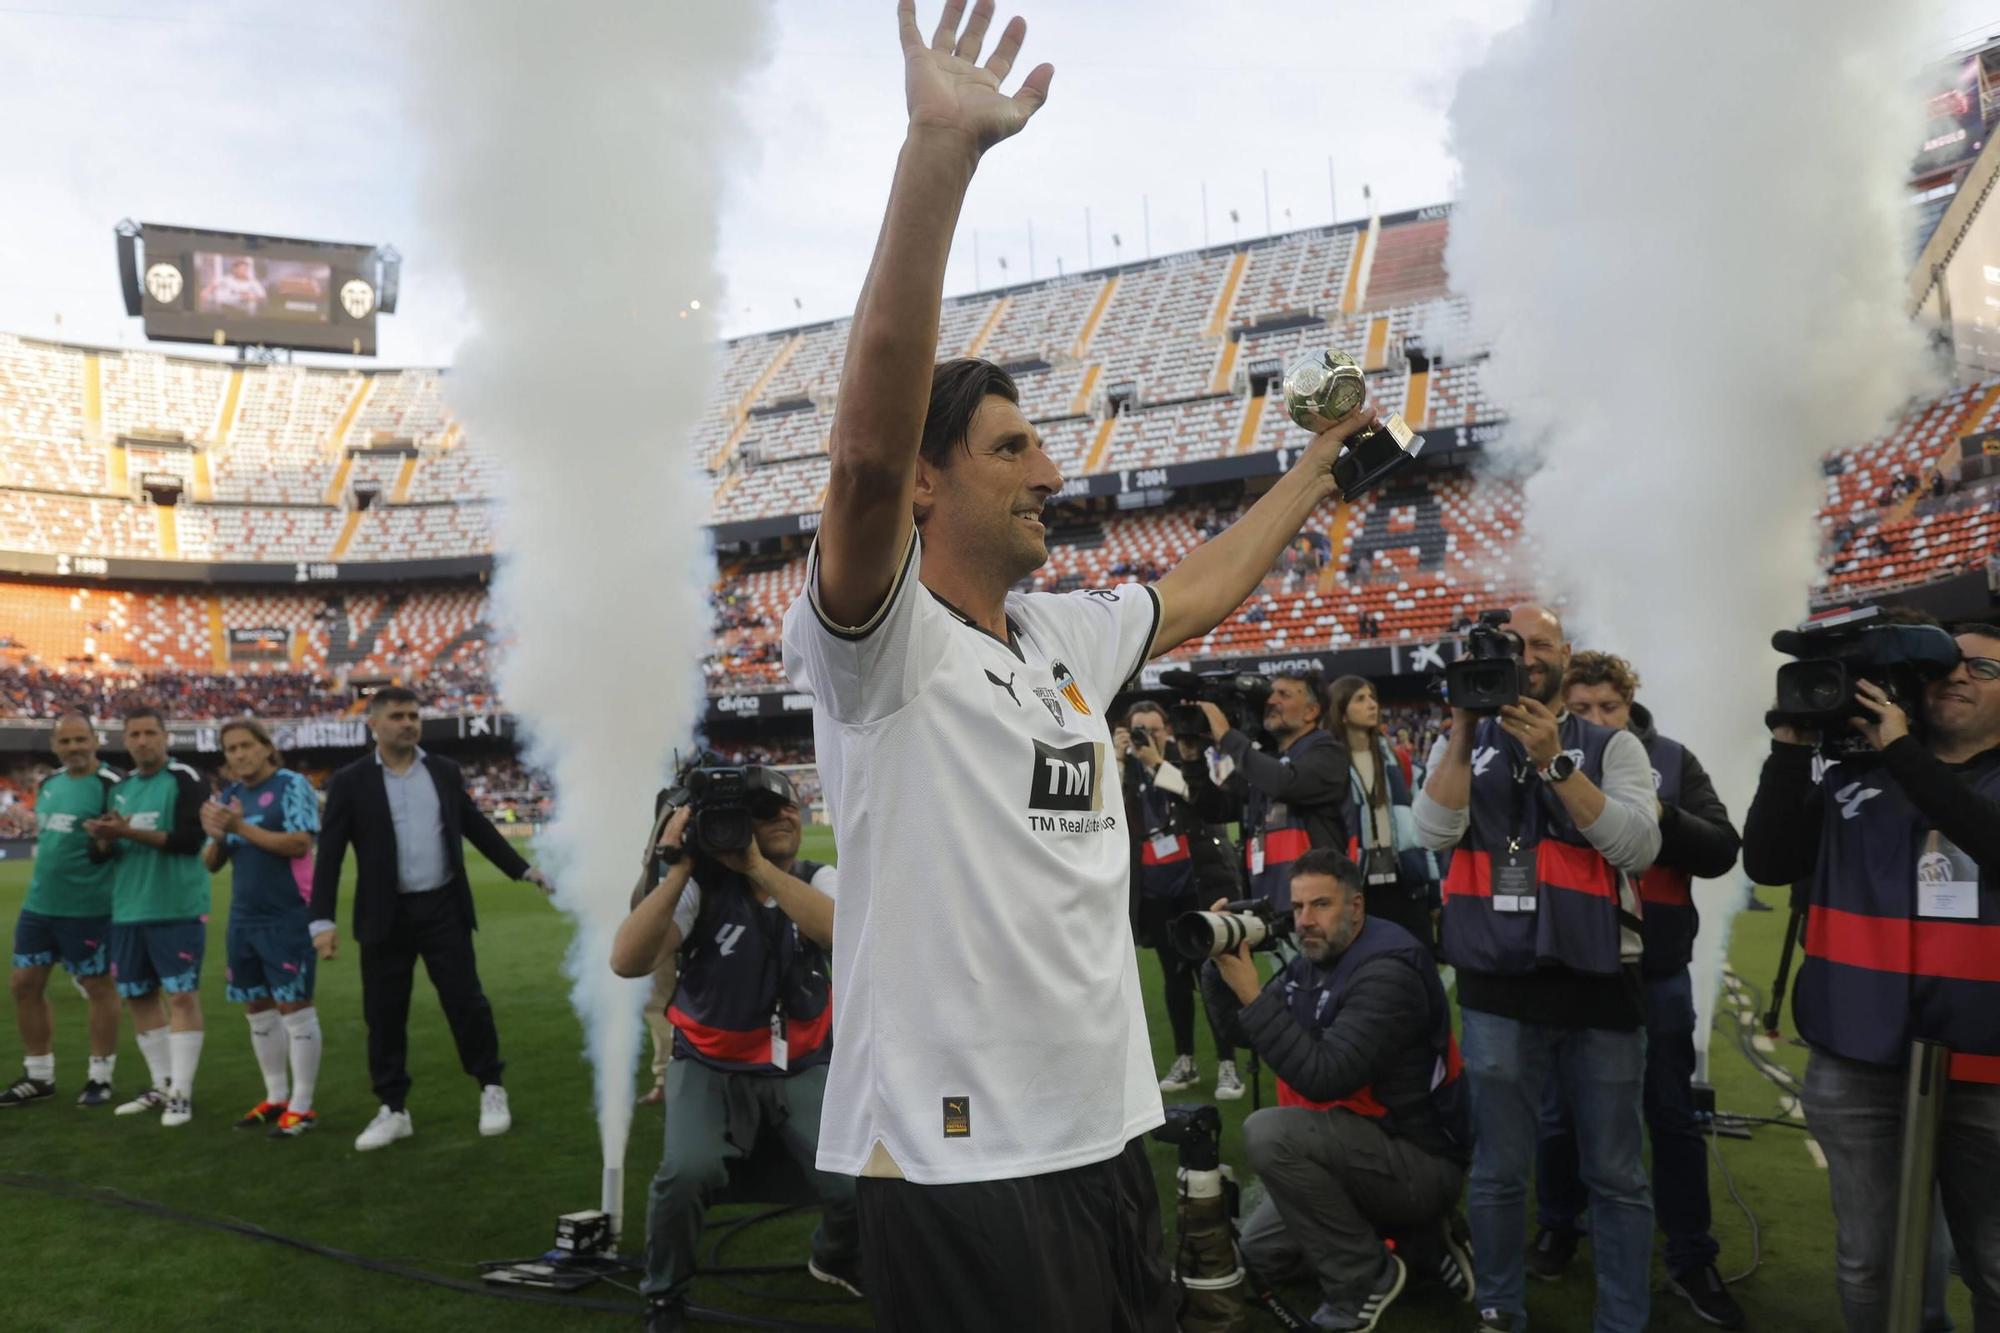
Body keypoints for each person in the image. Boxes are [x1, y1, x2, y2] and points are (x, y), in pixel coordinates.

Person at [777, 3, 1387, 1326]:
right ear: (931, 487)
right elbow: (863, 456)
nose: (1051, 470)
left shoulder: (1058, 637)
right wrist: (941, 154)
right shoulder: (880, 644)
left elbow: (1200, 588)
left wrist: (1322, 467)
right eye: (1010, 449)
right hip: (955, 1160)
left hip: (1101, 1131)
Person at [1743, 621, 2000, 1332]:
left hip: (1989, 1062)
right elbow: (1766, 861)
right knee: (1869, 1260)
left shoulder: (1904, 760)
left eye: (1980, 669)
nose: (1955, 677)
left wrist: (1903, 751)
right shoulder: (1856, 775)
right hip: (1856, 1054)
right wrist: (1790, 748)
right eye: (1947, 667)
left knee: (1995, 1263)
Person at [1414, 605, 1661, 1333]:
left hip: (1600, 987)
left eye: (1540, 644)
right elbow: (1433, 833)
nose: (1524, 657)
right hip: (1496, 986)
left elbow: (1637, 848)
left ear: (1565, 654)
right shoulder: (1457, 742)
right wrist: (1463, 730)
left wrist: (1557, 761)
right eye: (1508, 647)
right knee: (1496, 1171)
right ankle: (1499, 1306)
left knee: (1615, 1174)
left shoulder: (1612, 745)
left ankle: (1623, 1318)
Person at [1534, 652, 1745, 1329]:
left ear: (1630, 704)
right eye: (1583, 707)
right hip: (1567, 966)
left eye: (1609, 707)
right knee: (1558, 1113)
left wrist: (1663, 816)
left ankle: (1690, 1253)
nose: (1596, 719)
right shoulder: (1538, 756)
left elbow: (1721, 848)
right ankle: (1560, 1224)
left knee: (1672, 1112)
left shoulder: (1672, 758)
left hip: (1652, 968)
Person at [610, 770, 860, 1333]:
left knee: (854, 1180)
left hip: (802, 1058)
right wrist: (677, 868)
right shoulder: (700, 888)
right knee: (685, 1174)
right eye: (763, 810)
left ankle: (835, 1254)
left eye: (788, 807)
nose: (782, 817)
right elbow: (627, 960)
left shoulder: (820, 878)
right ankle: (665, 1294)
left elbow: (841, 936)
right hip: (708, 1059)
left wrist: (756, 867)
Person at [1205, 850, 1472, 1332]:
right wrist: (1217, 968)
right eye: (1299, 906)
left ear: (1356, 907)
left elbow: (1323, 1075)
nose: (1305, 921)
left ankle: (1363, 1278)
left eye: (1321, 905)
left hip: (1417, 1158)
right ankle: (1421, 1245)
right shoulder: (1319, 954)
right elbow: (1246, 1032)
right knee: (1259, 1255)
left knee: (1270, 1134)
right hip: (1359, 1145)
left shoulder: (1389, 969)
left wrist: (1250, 992)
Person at [307, 687, 552, 1152]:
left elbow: (476, 827)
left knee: (466, 1002)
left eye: (413, 715)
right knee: (384, 1014)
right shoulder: (351, 781)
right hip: (384, 914)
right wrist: (321, 920)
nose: (408, 723)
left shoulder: (443, 771)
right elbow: (331, 855)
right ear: (373, 724)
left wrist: (523, 870)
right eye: (397, 716)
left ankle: (491, 1089)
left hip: (442, 907)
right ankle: (393, 1108)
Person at [201, 719, 324, 1140]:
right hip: (244, 918)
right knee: (256, 1009)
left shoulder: (293, 785)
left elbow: (299, 843)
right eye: (231, 748)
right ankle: (276, 1097)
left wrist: (240, 828)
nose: (239, 755)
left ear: (267, 748)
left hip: (287, 914)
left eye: (246, 746)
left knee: (296, 1008)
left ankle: (303, 1106)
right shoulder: (231, 796)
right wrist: (218, 834)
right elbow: (211, 863)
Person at [88, 708, 212, 1127]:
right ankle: (161, 1083)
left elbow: (188, 840)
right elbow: (102, 855)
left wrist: (124, 833)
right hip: (128, 909)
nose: (142, 741)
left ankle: (182, 1092)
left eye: (149, 733)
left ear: (165, 737)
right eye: (134, 734)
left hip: (175, 905)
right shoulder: (120, 790)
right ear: (126, 741)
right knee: (139, 996)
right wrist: (103, 838)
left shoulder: (186, 779)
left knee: (180, 996)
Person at [1115, 700, 1245, 1100]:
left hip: (1196, 880)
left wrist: (1155, 761)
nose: (1146, 737)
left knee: (1213, 973)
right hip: (1154, 887)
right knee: (1173, 979)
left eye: (1154, 729)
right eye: (1139, 730)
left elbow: (1197, 799)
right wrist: (1118, 762)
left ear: (1167, 730)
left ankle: (1227, 1064)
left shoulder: (1181, 758)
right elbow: (1104, 812)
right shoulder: (1126, 767)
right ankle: (1185, 1059)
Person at [1, 712, 122, 1108]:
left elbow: (123, 845)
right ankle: (39, 1076)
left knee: (97, 987)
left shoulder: (111, 785)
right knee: (24, 985)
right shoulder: (49, 784)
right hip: (40, 905)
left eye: (80, 740)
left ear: (94, 741)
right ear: (55, 746)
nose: (73, 748)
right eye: (65, 742)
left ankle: (100, 1077)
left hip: (88, 908)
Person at [1198, 671, 1351, 912]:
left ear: (1311, 711)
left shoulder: (1328, 752)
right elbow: (1215, 809)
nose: (1271, 701)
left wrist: (1228, 737)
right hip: (1268, 905)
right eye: (1271, 693)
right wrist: (1192, 757)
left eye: (1284, 694)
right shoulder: (1266, 761)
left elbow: (1285, 783)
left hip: (1315, 906)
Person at [1326, 675, 1439, 951]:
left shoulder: (1397, 759)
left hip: (1406, 882)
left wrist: (1434, 889)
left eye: (1372, 697)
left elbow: (1419, 828)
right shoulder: (1329, 764)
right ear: (1340, 711)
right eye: (1360, 699)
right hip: (1358, 886)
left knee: (1417, 966)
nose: (1372, 705)